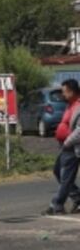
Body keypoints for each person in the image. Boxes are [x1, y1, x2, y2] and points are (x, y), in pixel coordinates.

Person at [44, 79, 80, 215]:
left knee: (65, 177)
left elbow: (79, 131)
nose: (63, 95)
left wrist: (68, 142)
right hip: (65, 146)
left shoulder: (79, 106)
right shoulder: (70, 104)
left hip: (73, 147)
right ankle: (77, 197)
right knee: (58, 171)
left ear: (72, 91)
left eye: (65, 92)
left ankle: (57, 205)